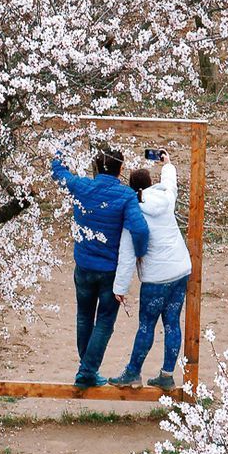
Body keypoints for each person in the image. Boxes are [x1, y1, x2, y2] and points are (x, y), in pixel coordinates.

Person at [51, 146, 149, 388]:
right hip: (109, 270)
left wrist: (62, 148)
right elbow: (140, 229)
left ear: (95, 166)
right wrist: (139, 253)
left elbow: (58, 172)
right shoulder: (126, 196)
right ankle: (87, 371)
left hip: (83, 265)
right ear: (121, 169)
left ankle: (87, 370)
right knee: (104, 321)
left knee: (84, 316)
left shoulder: (81, 186)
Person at [108, 150, 191, 391]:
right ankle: (166, 374)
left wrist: (120, 288)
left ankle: (133, 372)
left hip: (156, 278)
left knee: (146, 324)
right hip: (180, 270)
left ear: (132, 189)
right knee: (172, 322)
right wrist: (167, 164)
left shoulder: (133, 212)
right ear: (150, 184)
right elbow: (170, 184)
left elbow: (126, 254)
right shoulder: (165, 198)